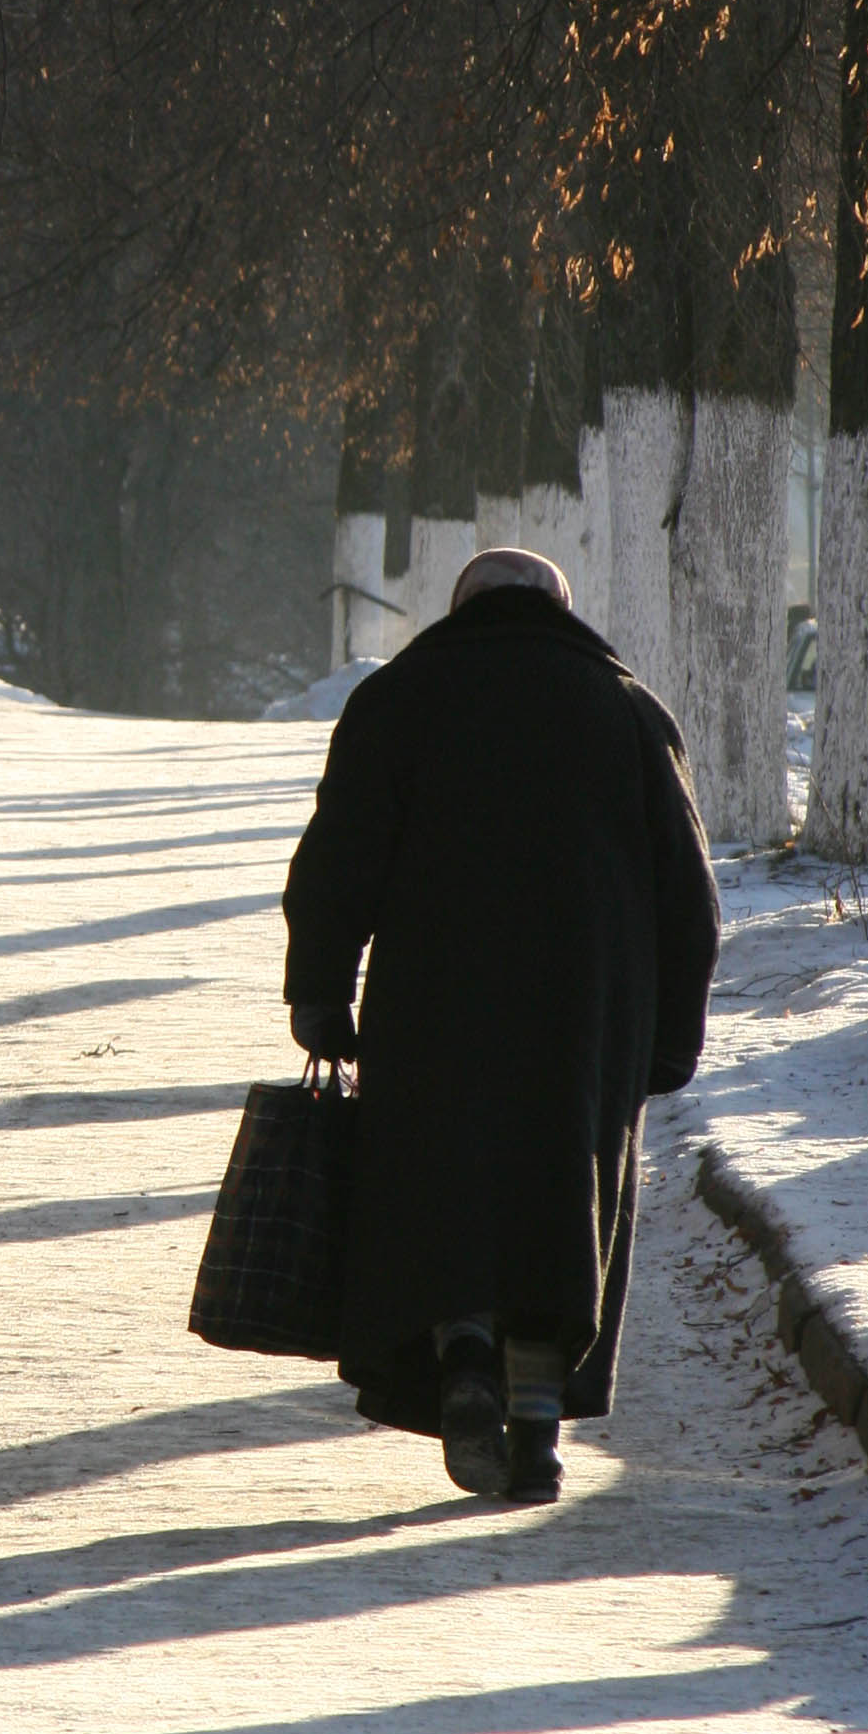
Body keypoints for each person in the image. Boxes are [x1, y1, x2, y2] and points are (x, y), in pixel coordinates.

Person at [282, 548, 719, 1503]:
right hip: (586, 1013)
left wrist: (320, 990)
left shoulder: (402, 698)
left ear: (460, 609)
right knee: (556, 1199)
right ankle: (537, 1425)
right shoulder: (628, 710)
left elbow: (340, 851)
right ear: (561, 610)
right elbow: (689, 896)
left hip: (433, 1001)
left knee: (443, 1187)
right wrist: (672, 1034)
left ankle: (463, 1347)